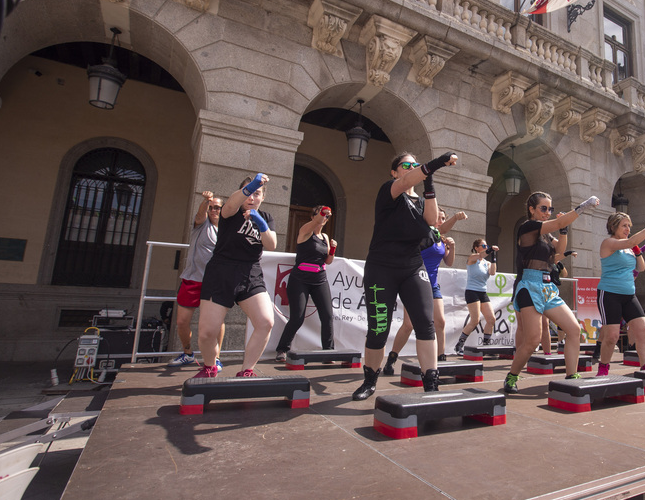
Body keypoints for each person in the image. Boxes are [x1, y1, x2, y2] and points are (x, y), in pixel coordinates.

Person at [352, 151, 458, 401]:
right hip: (381, 266)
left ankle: (431, 383)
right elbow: (404, 184)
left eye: (415, 164)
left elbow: (432, 221)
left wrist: (430, 180)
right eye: (406, 165)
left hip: (412, 266)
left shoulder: (421, 202)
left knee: (425, 323)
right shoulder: (389, 189)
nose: (412, 167)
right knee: (378, 328)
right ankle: (370, 380)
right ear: (394, 171)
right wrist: (434, 164)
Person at [501, 191, 599, 394]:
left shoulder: (546, 234)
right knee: (532, 340)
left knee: (573, 330)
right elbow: (555, 223)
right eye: (543, 208)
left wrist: (564, 229)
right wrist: (582, 207)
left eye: (550, 209)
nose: (547, 212)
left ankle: (571, 375)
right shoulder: (527, 227)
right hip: (529, 285)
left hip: (547, 286)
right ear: (532, 209)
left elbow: (559, 250)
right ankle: (512, 376)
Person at [193, 173, 278, 379]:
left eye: (257, 193)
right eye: (248, 192)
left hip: (250, 272)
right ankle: (210, 366)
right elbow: (232, 203)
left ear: (263, 197)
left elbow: (272, 244)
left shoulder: (266, 217)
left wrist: (261, 224)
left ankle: (247, 370)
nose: (251, 197)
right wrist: (252, 185)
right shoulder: (229, 212)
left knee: (266, 321)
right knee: (207, 332)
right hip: (221, 271)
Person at [382, 208, 466, 374]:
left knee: (440, 322)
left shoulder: (441, 239)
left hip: (433, 285)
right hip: (414, 281)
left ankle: (440, 359)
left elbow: (448, 262)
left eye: (443, 218)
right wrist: (456, 217)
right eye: (438, 218)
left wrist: (452, 247)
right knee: (409, 325)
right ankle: (391, 358)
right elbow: (441, 229)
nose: (440, 221)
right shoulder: (424, 234)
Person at [595, 213, 645, 376]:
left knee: (644, 330)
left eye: (629, 226)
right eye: (624, 226)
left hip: (629, 295)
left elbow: (641, 268)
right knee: (612, 336)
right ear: (613, 227)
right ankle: (603, 367)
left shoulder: (628, 247)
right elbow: (631, 241)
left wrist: (637, 251)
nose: (627, 229)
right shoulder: (609, 243)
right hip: (609, 293)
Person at [273, 206, 337, 363]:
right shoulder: (305, 231)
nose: (324, 219)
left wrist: (333, 249)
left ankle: (328, 352)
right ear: (313, 215)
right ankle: (282, 349)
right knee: (297, 318)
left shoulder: (325, 237)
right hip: (300, 279)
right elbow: (315, 222)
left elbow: (327, 261)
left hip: (319, 279)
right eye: (322, 215)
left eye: (327, 217)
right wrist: (322, 213)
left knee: (328, 316)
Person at [169, 191, 225, 367]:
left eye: (217, 207)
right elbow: (200, 214)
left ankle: (216, 358)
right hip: (192, 280)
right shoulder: (202, 224)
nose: (214, 210)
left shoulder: (226, 230)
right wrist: (205, 201)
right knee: (182, 321)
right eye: (211, 207)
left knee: (216, 322)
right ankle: (187, 353)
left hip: (214, 282)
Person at [453, 237, 499, 355]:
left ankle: (486, 346)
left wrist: (493, 256)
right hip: (472, 291)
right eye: (483, 246)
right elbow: (479, 256)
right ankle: (459, 345)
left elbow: (492, 272)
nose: (486, 248)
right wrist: (489, 251)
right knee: (475, 320)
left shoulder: (486, 263)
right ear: (476, 248)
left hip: (482, 292)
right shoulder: (472, 258)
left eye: (486, 246)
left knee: (491, 319)